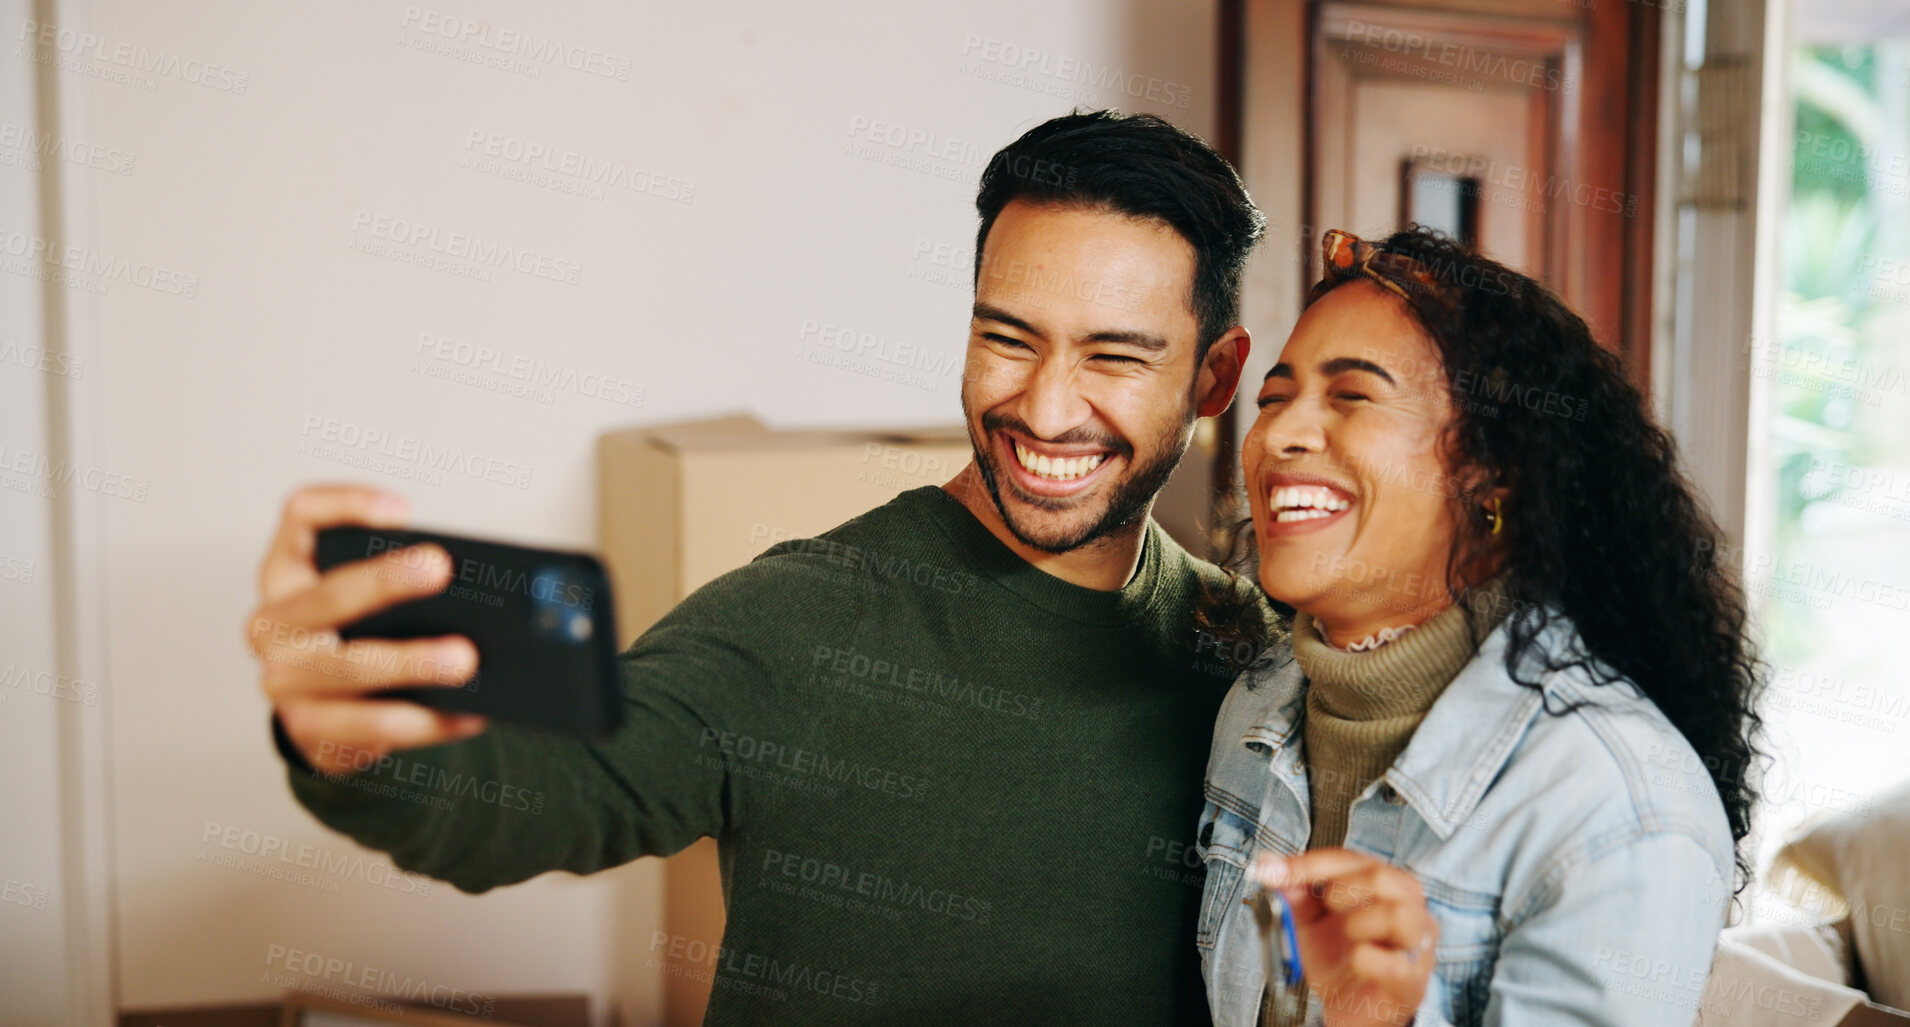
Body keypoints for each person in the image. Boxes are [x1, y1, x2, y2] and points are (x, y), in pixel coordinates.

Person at [245, 110, 1269, 1024]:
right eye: (1008, 337)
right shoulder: (802, 616)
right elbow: (550, 790)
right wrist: (355, 746)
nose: (1045, 408)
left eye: (1114, 357)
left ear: (1215, 375)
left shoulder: (1247, 653)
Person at [1193, 227, 1765, 1026]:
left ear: (1493, 477)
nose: (1280, 434)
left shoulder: (1621, 807)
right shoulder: (1255, 710)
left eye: (1352, 394)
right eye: (1274, 397)